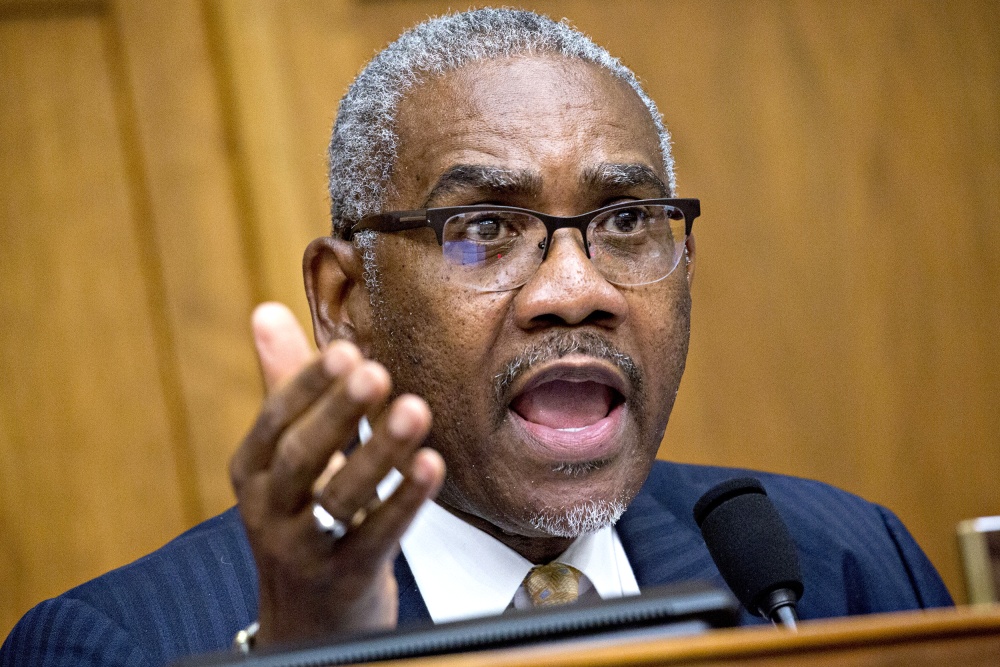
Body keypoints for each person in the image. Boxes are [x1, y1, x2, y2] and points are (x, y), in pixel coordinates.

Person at [0, 8, 951, 666]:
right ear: (343, 296)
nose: (575, 289)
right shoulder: (117, 646)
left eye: (626, 220)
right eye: (485, 227)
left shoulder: (844, 566)